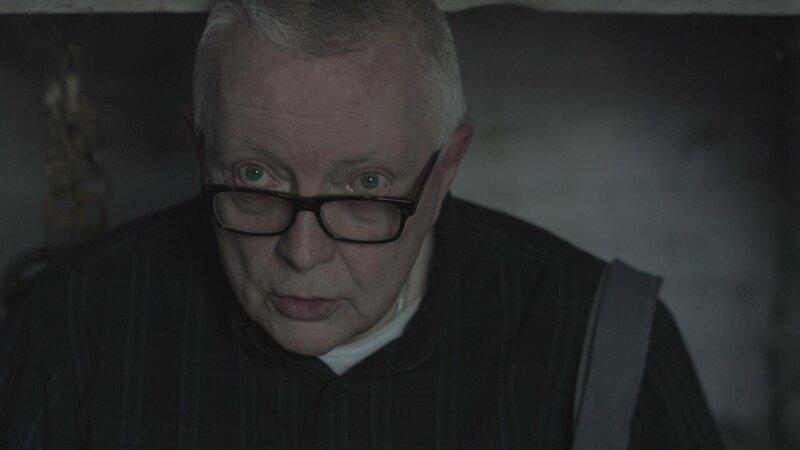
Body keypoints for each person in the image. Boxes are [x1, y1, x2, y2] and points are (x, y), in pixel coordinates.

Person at [0, 0, 724, 448]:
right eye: (255, 178)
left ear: (443, 174)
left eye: (366, 186)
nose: (303, 253)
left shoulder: (606, 347)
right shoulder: (71, 328)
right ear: (201, 150)